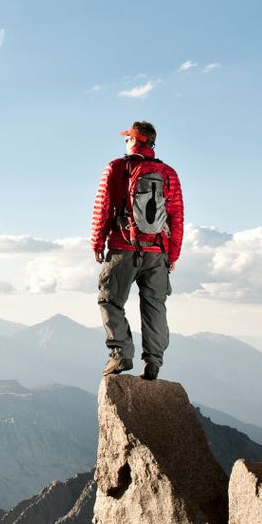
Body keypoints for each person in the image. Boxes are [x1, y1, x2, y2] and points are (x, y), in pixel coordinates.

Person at [91, 121, 184, 380]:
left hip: (123, 248)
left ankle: (121, 354)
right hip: (157, 252)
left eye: (127, 138)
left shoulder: (116, 168)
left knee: (110, 300)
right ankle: (153, 362)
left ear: (134, 140)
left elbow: (103, 208)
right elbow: (176, 217)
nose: (125, 142)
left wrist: (98, 242)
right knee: (155, 306)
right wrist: (173, 254)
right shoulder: (168, 173)